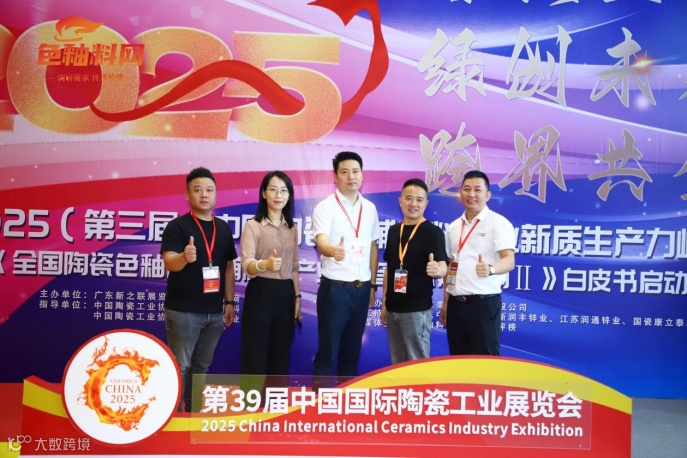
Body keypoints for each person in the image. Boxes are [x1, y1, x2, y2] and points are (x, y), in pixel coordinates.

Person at [160, 167, 237, 412]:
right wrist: (184, 257)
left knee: (201, 366)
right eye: (198, 190)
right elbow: (169, 262)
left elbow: (228, 268)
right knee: (180, 366)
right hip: (183, 311)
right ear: (187, 195)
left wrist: (229, 303)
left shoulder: (223, 228)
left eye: (209, 190)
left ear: (215, 195)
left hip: (214, 313)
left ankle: (192, 412)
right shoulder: (177, 226)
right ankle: (172, 415)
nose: (204, 195)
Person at [312, 151, 380, 380]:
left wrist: (372, 286)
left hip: (362, 289)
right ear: (335, 176)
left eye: (355, 171)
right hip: (335, 290)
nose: (351, 177)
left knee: (352, 353)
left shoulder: (370, 208)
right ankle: (320, 401)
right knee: (328, 353)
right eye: (345, 172)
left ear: (362, 175)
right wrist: (333, 251)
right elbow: (321, 241)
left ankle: (346, 399)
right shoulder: (325, 207)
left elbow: (372, 247)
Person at [440, 170, 515, 356]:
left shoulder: (498, 223)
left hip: (484, 304)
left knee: (486, 362)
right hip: (456, 304)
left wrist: (490, 269)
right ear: (460, 193)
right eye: (466, 189)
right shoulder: (454, 227)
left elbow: (509, 260)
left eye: (477, 190)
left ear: (487, 195)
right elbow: (451, 266)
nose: (471, 194)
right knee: (458, 360)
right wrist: (446, 302)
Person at [240, 171, 301, 377]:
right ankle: (251, 397)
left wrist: (297, 297)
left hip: (285, 294)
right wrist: (264, 264)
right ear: (264, 193)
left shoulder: (292, 228)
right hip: (261, 293)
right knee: (255, 353)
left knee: (280, 354)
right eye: (273, 190)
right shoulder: (253, 226)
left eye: (284, 191)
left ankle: (275, 396)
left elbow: (294, 267)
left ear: (289, 196)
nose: (278, 195)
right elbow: (246, 264)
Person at [381, 178, 448, 364]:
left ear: (426, 203)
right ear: (400, 201)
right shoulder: (394, 231)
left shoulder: (433, 232)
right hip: (393, 308)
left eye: (419, 200)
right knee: (397, 363)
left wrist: (438, 270)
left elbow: (444, 266)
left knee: (417, 363)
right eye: (409, 198)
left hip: (417, 310)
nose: (413, 204)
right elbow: (390, 268)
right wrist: (385, 302)